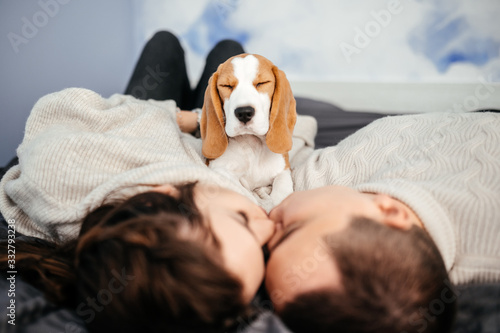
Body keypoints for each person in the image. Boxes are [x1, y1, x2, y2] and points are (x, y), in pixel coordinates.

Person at [0, 31, 316, 332]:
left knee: (164, 42)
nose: (270, 225)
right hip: (212, 129)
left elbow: (60, 111)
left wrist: (179, 116)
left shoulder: (55, 183)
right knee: (228, 48)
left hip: (149, 116)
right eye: (263, 249)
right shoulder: (218, 216)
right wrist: (206, 121)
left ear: (164, 195)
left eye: (242, 220)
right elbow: (297, 143)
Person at [264, 111, 500, 333]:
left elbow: (281, 144)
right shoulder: (487, 259)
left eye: (270, 246)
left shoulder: (325, 184)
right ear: (390, 211)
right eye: (289, 229)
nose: (266, 226)